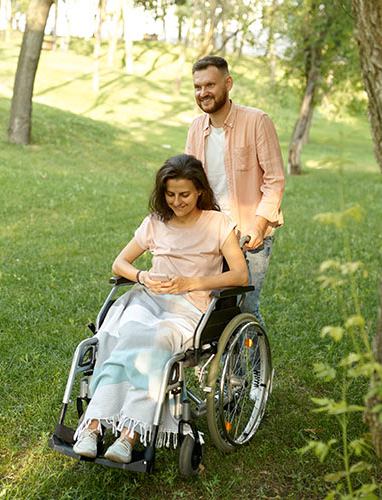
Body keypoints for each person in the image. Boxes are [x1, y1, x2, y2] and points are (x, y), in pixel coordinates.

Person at [72, 154, 248, 464]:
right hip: (147, 299)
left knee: (155, 341)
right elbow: (119, 263)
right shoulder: (155, 222)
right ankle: (94, 426)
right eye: (170, 194)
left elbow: (240, 275)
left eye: (184, 194)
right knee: (123, 333)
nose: (177, 201)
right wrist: (143, 276)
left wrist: (192, 282)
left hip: (190, 306)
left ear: (199, 192)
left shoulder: (217, 223)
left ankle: (130, 433)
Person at [185, 55, 285, 328]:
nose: (203, 92)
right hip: (211, 234)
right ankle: (219, 367)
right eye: (197, 87)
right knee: (210, 305)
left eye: (210, 85)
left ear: (228, 83)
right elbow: (189, 183)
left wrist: (259, 226)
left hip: (250, 234)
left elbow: (275, 180)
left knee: (245, 309)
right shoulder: (196, 128)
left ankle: (253, 369)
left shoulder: (257, 121)